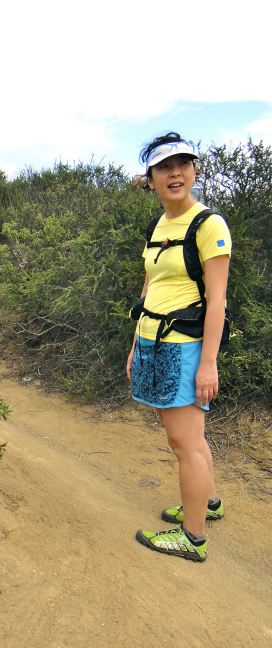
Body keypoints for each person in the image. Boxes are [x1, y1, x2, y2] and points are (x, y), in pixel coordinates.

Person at [127, 132, 231, 562]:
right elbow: (152, 288)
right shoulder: (158, 227)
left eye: (184, 164)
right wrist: (136, 344)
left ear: (194, 170)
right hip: (153, 341)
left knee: (182, 442)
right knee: (192, 437)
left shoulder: (209, 225)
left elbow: (218, 299)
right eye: (165, 167)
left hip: (184, 347)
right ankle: (205, 503)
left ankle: (192, 538)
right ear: (149, 179)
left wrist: (209, 364)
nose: (176, 173)